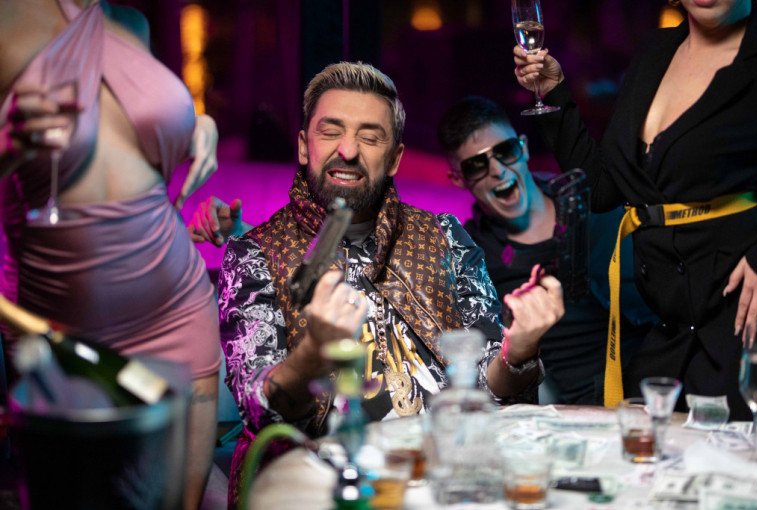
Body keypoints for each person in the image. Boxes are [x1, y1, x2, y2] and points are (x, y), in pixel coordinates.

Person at [209, 61, 564, 508]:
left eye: (370, 137)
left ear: (394, 157)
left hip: (449, 478)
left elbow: (489, 385)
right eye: (330, 131)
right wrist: (313, 351)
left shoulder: (445, 236)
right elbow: (261, 408)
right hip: (322, 486)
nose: (348, 150)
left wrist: (521, 349)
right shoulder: (254, 254)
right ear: (303, 146)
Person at [0, 1, 222, 508]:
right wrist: (8, 143)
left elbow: (122, 135)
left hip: (177, 308)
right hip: (59, 328)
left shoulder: (128, 22)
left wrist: (197, 123)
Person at [514, 0, 757, 419]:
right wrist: (553, 92)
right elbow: (604, 188)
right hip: (670, 325)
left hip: (742, 319)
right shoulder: (655, 51)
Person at [437, 96, 655, 405]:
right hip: (567, 409)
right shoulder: (472, 258)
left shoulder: (591, 203)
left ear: (523, 147)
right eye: (476, 165)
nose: (498, 170)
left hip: (646, 386)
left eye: (505, 151)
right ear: (458, 179)